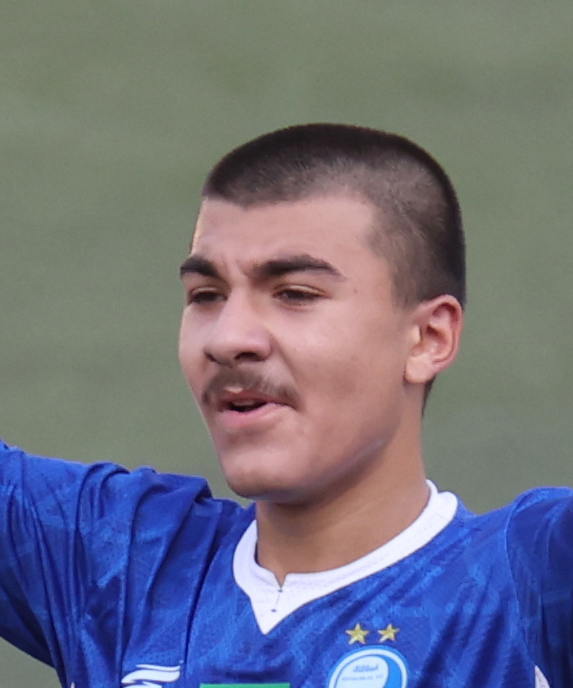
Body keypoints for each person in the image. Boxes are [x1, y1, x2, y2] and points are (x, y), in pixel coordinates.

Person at [0, 123, 570, 688]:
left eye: (295, 294)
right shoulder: (122, 564)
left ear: (427, 339)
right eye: (206, 295)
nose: (228, 338)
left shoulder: (530, 580)